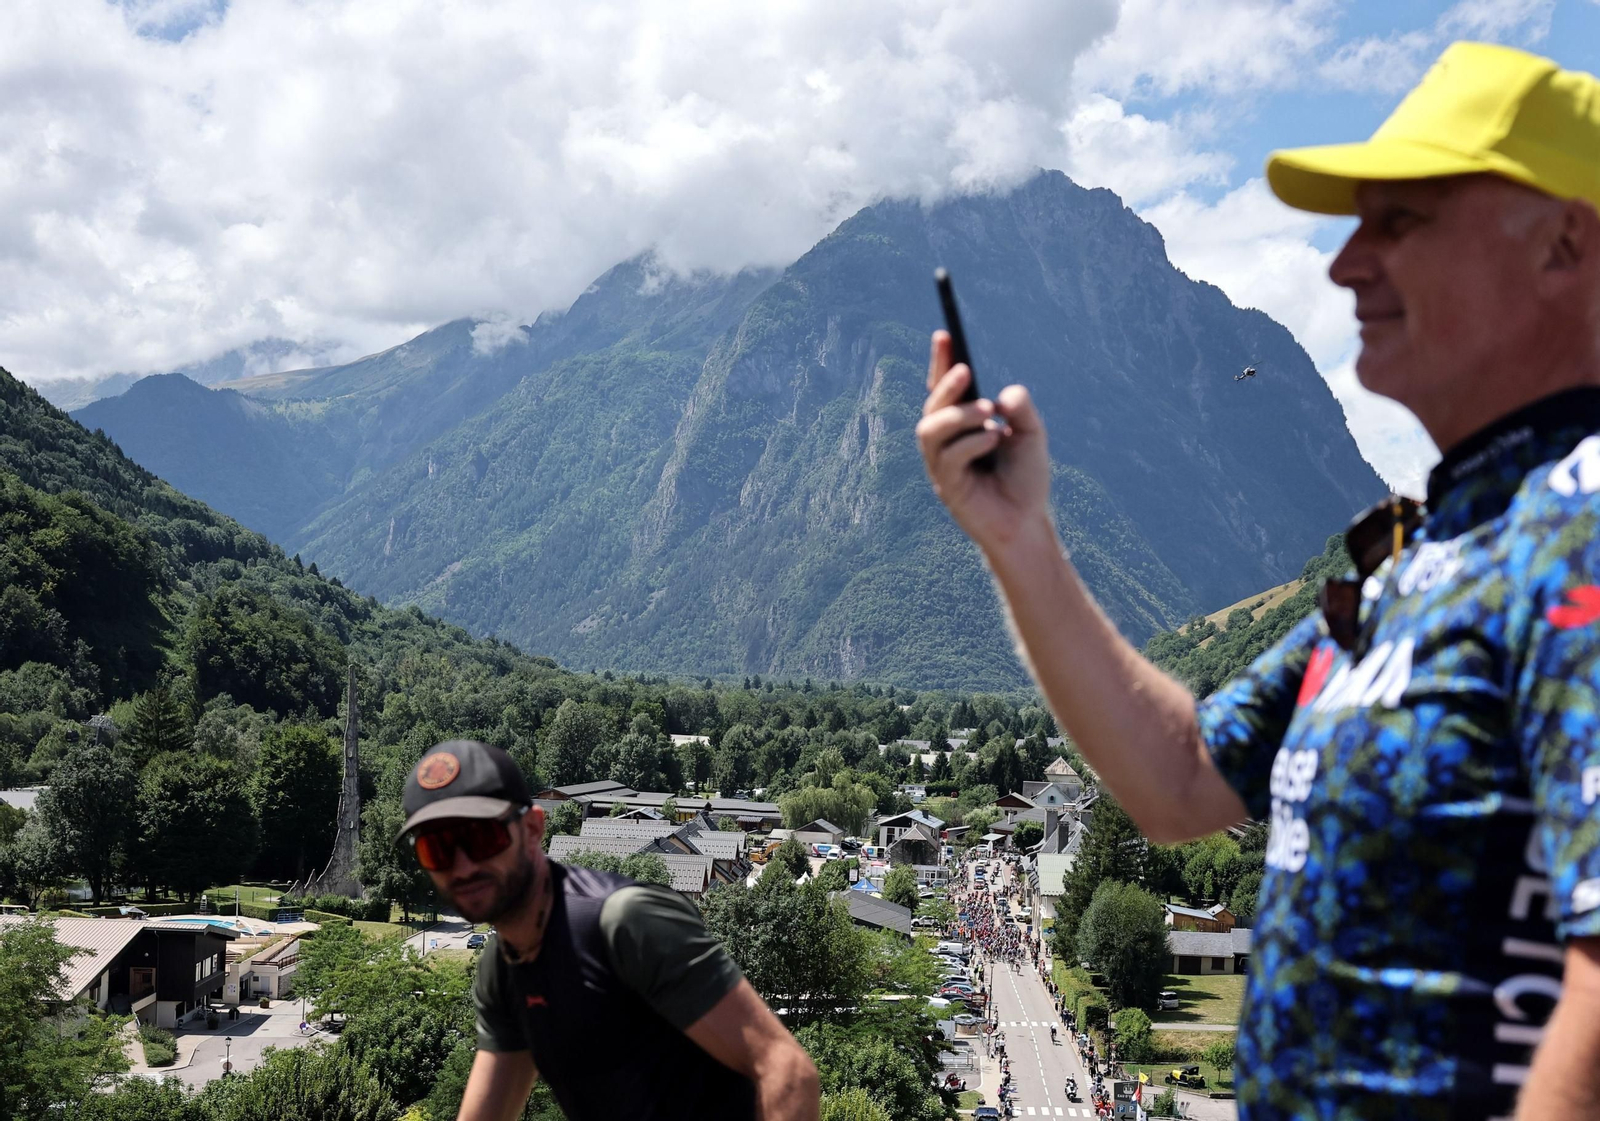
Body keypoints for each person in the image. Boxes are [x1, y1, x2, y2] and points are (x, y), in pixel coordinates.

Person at [918, 40, 1600, 1121]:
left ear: (1566, 240)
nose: (1344, 265)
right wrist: (1019, 538)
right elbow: (1179, 779)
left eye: (1401, 221)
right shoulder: (1428, 552)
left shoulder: (1582, 534)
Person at [397, 739, 819, 1120]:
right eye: (438, 849)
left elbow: (788, 1074)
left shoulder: (625, 924)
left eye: (482, 838)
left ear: (532, 831)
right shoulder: (505, 967)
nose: (464, 866)